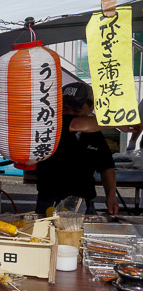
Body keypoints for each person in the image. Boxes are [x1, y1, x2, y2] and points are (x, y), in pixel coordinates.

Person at [35, 82, 140, 215]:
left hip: (84, 202)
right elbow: (76, 124)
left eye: (77, 110)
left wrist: (111, 196)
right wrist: (117, 121)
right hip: (50, 202)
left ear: (91, 109)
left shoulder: (94, 133)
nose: (70, 113)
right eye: (65, 108)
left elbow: (106, 167)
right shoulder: (51, 125)